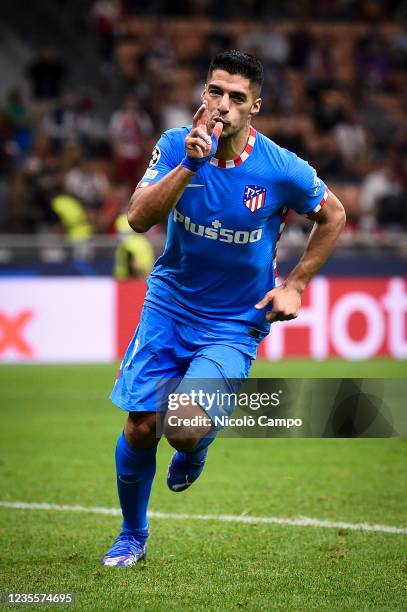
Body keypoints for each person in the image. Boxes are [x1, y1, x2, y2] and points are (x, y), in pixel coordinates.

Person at [102, 50, 346, 567]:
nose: (224, 105)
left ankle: (197, 446)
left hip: (234, 321)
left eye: (238, 97)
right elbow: (138, 219)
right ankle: (132, 535)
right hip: (168, 306)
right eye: (216, 92)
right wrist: (191, 164)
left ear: (254, 107)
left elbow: (334, 215)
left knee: (183, 427)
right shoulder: (174, 147)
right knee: (142, 425)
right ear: (203, 95)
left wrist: (296, 285)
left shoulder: (281, 169)